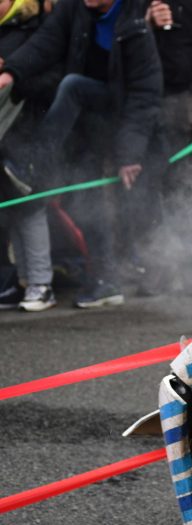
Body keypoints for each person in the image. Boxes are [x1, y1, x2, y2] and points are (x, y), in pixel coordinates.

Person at [0, 0, 162, 308]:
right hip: (84, 124)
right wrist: (11, 71)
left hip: (123, 121)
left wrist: (129, 153)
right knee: (81, 200)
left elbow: (145, 94)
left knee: (141, 208)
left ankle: (33, 163)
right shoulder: (73, 9)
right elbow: (44, 43)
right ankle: (106, 281)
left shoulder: (134, 24)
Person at [131, 0, 192, 294]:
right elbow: (113, 40)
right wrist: (145, 23)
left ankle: (191, 270)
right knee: (143, 187)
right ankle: (155, 268)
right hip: (137, 101)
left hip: (181, 100)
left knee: (184, 186)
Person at [0, 0, 60, 311]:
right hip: (5, 137)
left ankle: (41, 283)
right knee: (12, 212)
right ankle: (23, 281)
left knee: (30, 208)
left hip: (26, 133)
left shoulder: (34, 31)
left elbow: (50, 78)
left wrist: (14, 78)